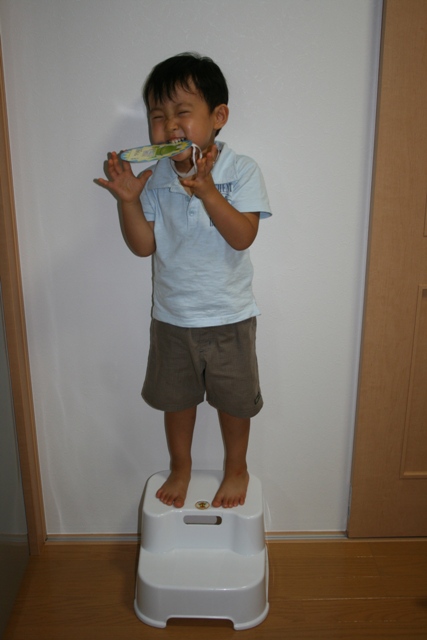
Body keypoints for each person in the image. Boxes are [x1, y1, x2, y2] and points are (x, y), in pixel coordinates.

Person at [97, 52, 271, 509]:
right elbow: (143, 246)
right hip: (173, 319)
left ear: (218, 117)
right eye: (158, 116)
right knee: (177, 401)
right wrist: (128, 201)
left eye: (182, 113)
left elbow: (243, 236)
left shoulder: (241, 170)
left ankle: (237, 468)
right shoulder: (155, 178)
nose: (169, 126)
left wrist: (208, 190)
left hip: (230, 316)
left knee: (234, 402)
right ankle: (180, 466)